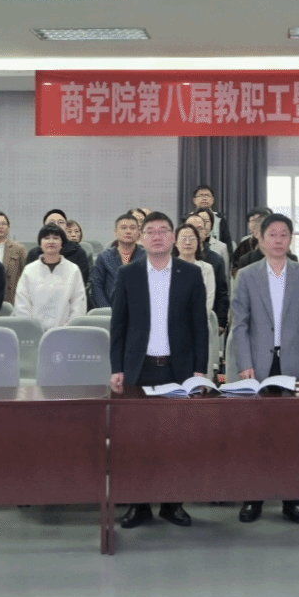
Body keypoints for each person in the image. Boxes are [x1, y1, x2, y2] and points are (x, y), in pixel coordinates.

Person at [110, 211, 210, 529]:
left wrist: (199, 369)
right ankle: (138, 505)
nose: (156, 236)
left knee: (175, 439)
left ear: (173, 237)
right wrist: (117, 367)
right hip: (139, 369)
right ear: (142, 238)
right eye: (150, 231)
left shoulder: (190, 273)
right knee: (136, 440)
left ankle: (172, 504)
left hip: (177, 370)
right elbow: (119, 325)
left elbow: (200, 326)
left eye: (163, 230)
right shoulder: (128, 274)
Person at [231, 212, 299, 524]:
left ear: (291, 239)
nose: (278, 240)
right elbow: (240, 325)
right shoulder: (247, 275)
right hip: (258, 366)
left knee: (293, 435)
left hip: (294, 365)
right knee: (255, 435)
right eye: (273, 235)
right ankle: (253, 499)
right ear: (261, 239)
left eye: (284, 235)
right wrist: (244, 363)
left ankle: (292, 500)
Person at [15, 224, 87, 328]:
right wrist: (32, 328)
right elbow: (22, 304)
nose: (51, 241)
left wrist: (68, 328)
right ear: (40, 243)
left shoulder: (73, 270)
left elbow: (78, 304)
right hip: (34, 331)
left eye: (56, 238)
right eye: (46, 238)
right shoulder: (29, 270)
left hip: (66, 331)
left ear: (62, 244)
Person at [185, 211, 232, 325]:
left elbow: (221, 292)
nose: (195, 232)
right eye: (191, 228)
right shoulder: (172, 259)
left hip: (208, 319)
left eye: (199, 228)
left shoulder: (215, 260)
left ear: (206, 232)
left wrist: (221, 321)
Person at [93, 213, 145, 308]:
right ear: (115, 232)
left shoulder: (147, 256)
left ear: (139, 232)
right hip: (110, 310)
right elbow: (97, 286)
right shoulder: (104, 256)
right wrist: (106, 309)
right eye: (123, 228)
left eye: (132, 228)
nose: (128, 231)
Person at [25, 209, 92, 284]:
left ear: (66, 227)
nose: (57, 225)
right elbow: (28, 282)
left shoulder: (78, 252)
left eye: (61, 222)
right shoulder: (34, 253)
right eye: (52, 222)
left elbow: (81, 282)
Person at [0, 211, 28, 305]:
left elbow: (26, 275)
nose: (0, 226)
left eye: (4, 224)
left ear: (8, 227)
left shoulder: (19, 249)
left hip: (12, 300)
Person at [191, 184, 234, 252]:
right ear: (194, 200)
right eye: (201, 195)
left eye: (207, 195)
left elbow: (227, 244)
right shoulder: (187, 219)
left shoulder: (220, 219)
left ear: (213, 200)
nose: (204, 198)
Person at [231, 206, 272, 275]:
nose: (255, 224)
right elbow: (235, 267)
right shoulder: (243, 244)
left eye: (259, 220)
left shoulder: (277, 243)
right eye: (252, 221)